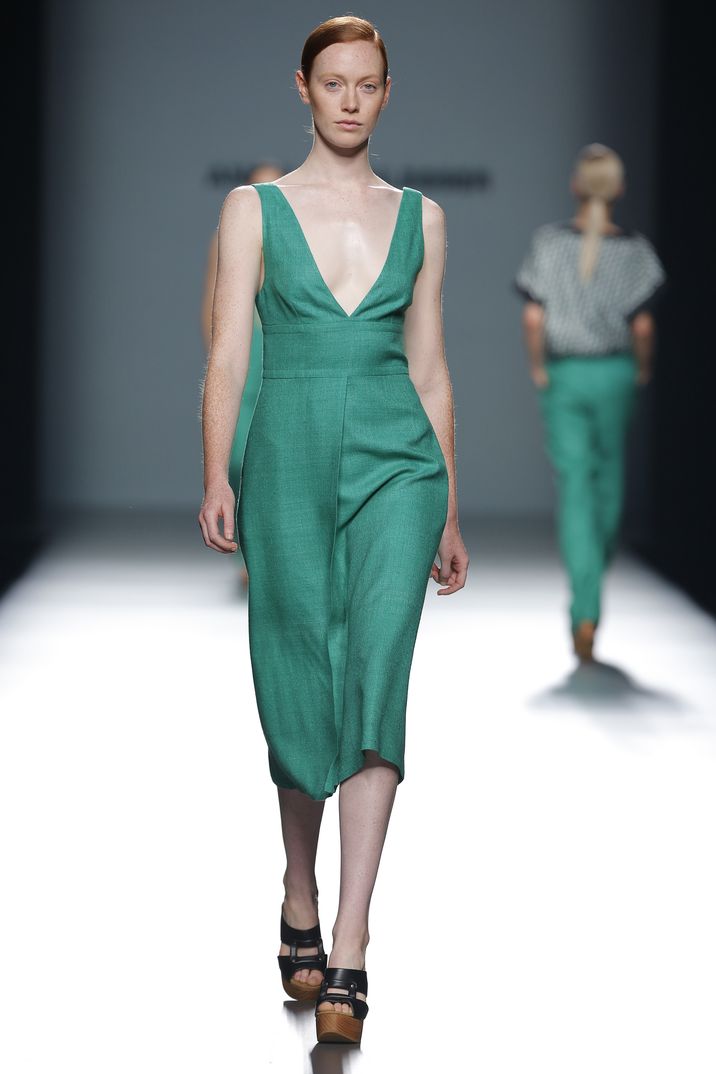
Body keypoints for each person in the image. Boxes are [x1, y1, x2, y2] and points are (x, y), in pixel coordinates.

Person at [198, 15, 468, 1046]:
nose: (350, 100)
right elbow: (229, 353)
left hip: (399, 463)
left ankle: (351, 940)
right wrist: (215, 472)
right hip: (286, 459)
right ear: (303, 90)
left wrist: (448, 502)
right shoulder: (253, 212)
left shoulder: (422, 219)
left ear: (386, 94)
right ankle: (298, 888)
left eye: (367, 84)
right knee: (299, 680)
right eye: (333, 83)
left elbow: (430, 369)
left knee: (376, 680)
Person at [516, 144, 665, 662]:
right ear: (619, 189)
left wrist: (539, 367)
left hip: (566, 373)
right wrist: (641, 368)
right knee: (609, 482)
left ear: (576, 186)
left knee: (576, 486)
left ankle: (584, 607)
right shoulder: (637, 252)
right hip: (614, 372)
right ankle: (591, 589)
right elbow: (642, 325)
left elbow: (533, 316)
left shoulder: (548, 243)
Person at [201, 162, 284, 589]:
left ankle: (267, 555)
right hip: (244, 346)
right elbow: (212, 300)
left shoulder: (297, 234)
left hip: (280, 348)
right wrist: (219, 350)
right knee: (238, 455)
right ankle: (251, 549)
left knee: (276, 454)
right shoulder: (228, 237)